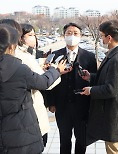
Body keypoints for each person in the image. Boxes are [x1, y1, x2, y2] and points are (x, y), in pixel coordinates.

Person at [0, 24, 66, 154]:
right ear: (12, 45)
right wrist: (56, 70)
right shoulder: (19, 68)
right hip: (21, 134)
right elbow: (44, 82)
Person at [80, 20, 118, 154]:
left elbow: (111, 89)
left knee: (114, 150)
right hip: (112, 114)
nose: (101, 39)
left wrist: (91, 90)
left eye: (101, 36)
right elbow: (110, 78)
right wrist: (91, 77)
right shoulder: (115, 53)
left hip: (115, 116)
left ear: (109, 38)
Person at [47, 23, 97, 154]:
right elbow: (49, 80)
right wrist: (51, 103)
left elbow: (95, 80)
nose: (72, 36)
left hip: (82, 106)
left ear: (80, 36)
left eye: (75, 33)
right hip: (62, 106)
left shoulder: (89, 57)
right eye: (69, 33)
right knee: (64, 139)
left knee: (81, 140)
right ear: (64, 36)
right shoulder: (56, 55)